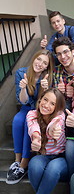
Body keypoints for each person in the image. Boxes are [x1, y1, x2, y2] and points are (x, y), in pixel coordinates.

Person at [6, 50, 53, 184]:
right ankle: (17, 160)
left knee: (29, 122)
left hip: (39, 109)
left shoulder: (47, 77)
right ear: (34, 58)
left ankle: (24, 163)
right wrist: (23, 88)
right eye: (39, 59)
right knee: (17, 120)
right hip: (27, 106)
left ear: (46, 67)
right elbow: (23, 101)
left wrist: (45, 89)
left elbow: (43, 103)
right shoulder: (21, 72)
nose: (40, 64)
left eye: (44, 63)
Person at [27, 88, 68, 194]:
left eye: (52, 103)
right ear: (40, 100)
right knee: (34, 165)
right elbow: (33, 127)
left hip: (61, 158)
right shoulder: (32, 114)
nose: (46, 105)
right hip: (43, 156)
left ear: (57, 107)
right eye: (45, 99)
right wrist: (36, 138)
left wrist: (52, 131)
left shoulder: (60, 116)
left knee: (53, 168)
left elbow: (54, 126)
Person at [52, 36, 74, 112]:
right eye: (59, 54)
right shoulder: (55, 71)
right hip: (62, 109)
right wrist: (58, 92)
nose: (63, 57)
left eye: (65, 52)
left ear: (73, 52)